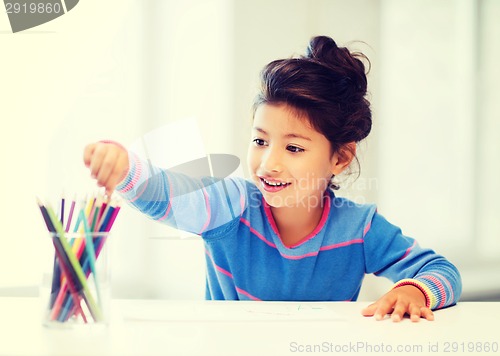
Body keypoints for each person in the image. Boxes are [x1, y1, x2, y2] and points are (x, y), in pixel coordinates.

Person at [83, 36, 461, 322]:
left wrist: (416, 290)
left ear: (340, 157)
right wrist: (127, 170)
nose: (268, 163)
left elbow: (441, 271)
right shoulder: (229, 207)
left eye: (293, 148)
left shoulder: (359, 229)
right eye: (260, 141)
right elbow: (168, 193)